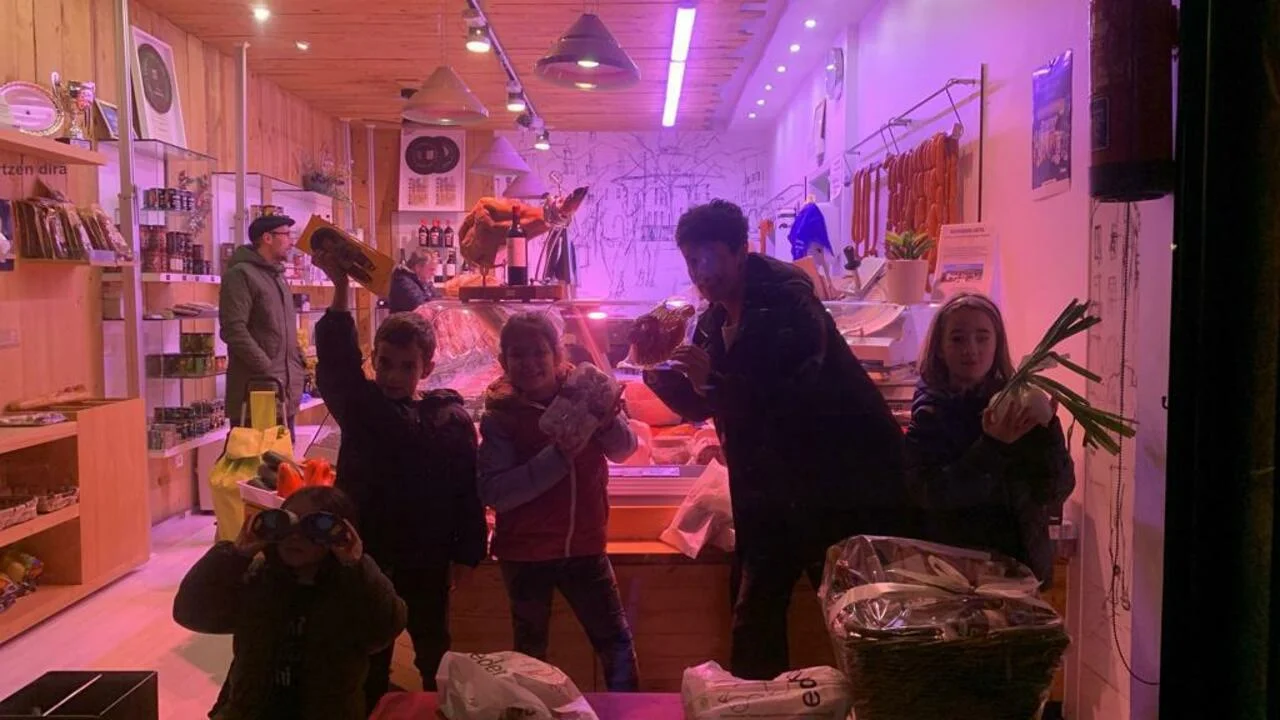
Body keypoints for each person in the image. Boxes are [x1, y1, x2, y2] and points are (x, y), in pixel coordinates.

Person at [643, 199, 911, 681]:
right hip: (769, 492)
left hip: (837, 487)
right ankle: (759, 704)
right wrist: (652, 366)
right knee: (754, 617)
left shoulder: (788, 301)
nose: (699, 272)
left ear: (739, 251)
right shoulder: (712, 319)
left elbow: (789, 394)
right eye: (690, 260)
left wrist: (712, 382)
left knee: (855, 617)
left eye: (708, 257)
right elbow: (704, 403)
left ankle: (878, 702)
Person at [311, 248, 486, 708]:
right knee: (368, 656)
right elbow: (338, 367)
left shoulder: (449, 419)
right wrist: (340, 289)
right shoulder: (363, 409)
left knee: (434, 653)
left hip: (427, 558)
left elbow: (466, 491)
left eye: (407, 366)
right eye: (385, 362)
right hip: (367, 554)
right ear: (373, 359)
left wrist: (468, 552)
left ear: (427, 367)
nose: (393, 375)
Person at [477, 312, 640, 691]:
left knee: (617, 646)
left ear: (557, 354)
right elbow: (496, 492)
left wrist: (606, 423)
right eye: (518, 354)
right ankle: (531, 714)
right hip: (525, 555)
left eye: (539, 352)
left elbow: (625, 451)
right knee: (530, 658)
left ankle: (628, 712)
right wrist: (558, 456)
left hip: (585, 547)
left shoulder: (586, 395)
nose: (530, 363)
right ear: (503, 361)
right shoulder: (500, 416)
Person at [173, 486, 406, 720]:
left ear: (340, 533)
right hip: (250, 711)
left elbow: (384, 630)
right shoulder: (259, 580)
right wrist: (235, 556)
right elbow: (190, 612)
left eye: (314, 527)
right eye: (287, 523)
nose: (295, 536)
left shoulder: (351, 589)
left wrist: (357, 567)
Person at [904, 292, 1075, 586]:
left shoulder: (1018, 406)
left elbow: (1054, 492)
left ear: (997, 345)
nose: (971, 349)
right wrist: (992, 447)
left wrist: (1049, 431)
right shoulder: (930, 415)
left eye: (982, 338)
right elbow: (931, 495)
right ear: (940, 349)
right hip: (961, 579)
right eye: (957, 339)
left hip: (1023, 575)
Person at [219, 215, 305, 435]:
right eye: (286, 235)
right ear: (267, 238)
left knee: (282, 453)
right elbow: (233, 329)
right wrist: (266, 366)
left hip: (283, 391)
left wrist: (298, 362)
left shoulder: (278, 276)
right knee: (257, 453)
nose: (291, 242)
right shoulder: (241, 275)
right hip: (258, 391)